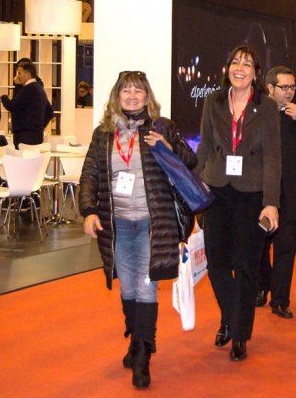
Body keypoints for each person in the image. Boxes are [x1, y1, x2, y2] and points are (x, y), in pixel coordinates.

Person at [79, 71, 197, 389]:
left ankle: (144, 353)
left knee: (146, 287)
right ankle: (136, 339)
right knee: (127, 288)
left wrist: (167, 146)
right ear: (117, 96)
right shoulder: (103, 133)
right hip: (116, 224)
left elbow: (191, 160)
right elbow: (90, 174)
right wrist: (88, 210)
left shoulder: (162, 127)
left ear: (147, 96)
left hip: (152, 223)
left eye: (138, 91)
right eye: (126, 90)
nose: (132, 96)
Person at [195, 45, 281, 361]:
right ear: (227, 68)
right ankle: (231, 317)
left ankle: (239, 334)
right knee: (217, 263)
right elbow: (205, 146)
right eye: (235, 62)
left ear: (256, 72)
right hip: (217, 190)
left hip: (251, 194)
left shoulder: (266, 107)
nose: (240, 68)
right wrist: (196, 187)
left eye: (247, 64)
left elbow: (273, 157)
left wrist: (271, 202)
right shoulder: (213, 102)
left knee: (245, 265)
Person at [256, 66, 296, 318]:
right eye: (284, 87)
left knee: (286, 248)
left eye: (293, 87)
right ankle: (262, 287)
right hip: (262, 192)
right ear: (270, 88)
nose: (290, 92)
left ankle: (280, 300)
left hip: (291, 193)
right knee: (259, 245)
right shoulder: (258, 111)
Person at [0, 61, 52, 148]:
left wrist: (3, 97)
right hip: (37, 135)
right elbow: (49, 112)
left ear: (27, 75)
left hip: (24, 135)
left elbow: (13, 107)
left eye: (19, 73)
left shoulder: (28, 89)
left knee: (23, 156)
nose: (17, 76)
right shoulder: (39, 88)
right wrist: (38, 127)